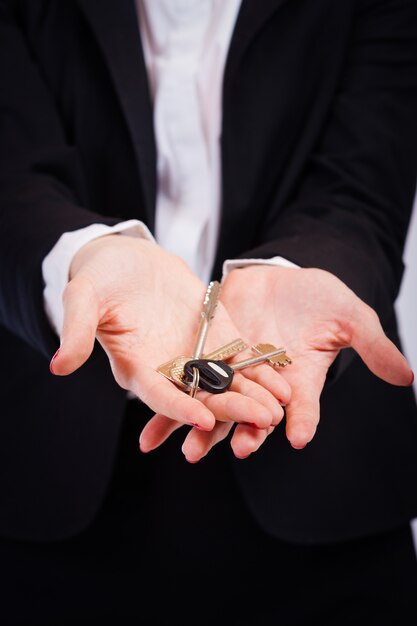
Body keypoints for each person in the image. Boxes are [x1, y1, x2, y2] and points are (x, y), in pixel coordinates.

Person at [1, 0, 417, 624]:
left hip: (324, 496)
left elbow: (359, 188)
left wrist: (298, 273)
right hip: (45, 490)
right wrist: (84, 257)